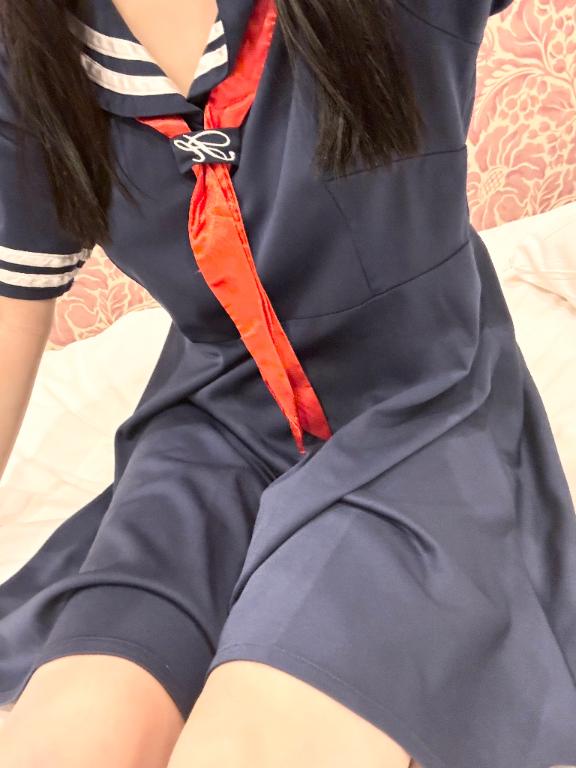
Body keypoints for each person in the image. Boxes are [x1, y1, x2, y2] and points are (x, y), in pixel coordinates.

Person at [0, 0, 575, 766]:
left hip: (417, 410)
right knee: (66, 737)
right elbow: (10, 308)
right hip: (211, 424)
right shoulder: (31, 46)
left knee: (244, 747)